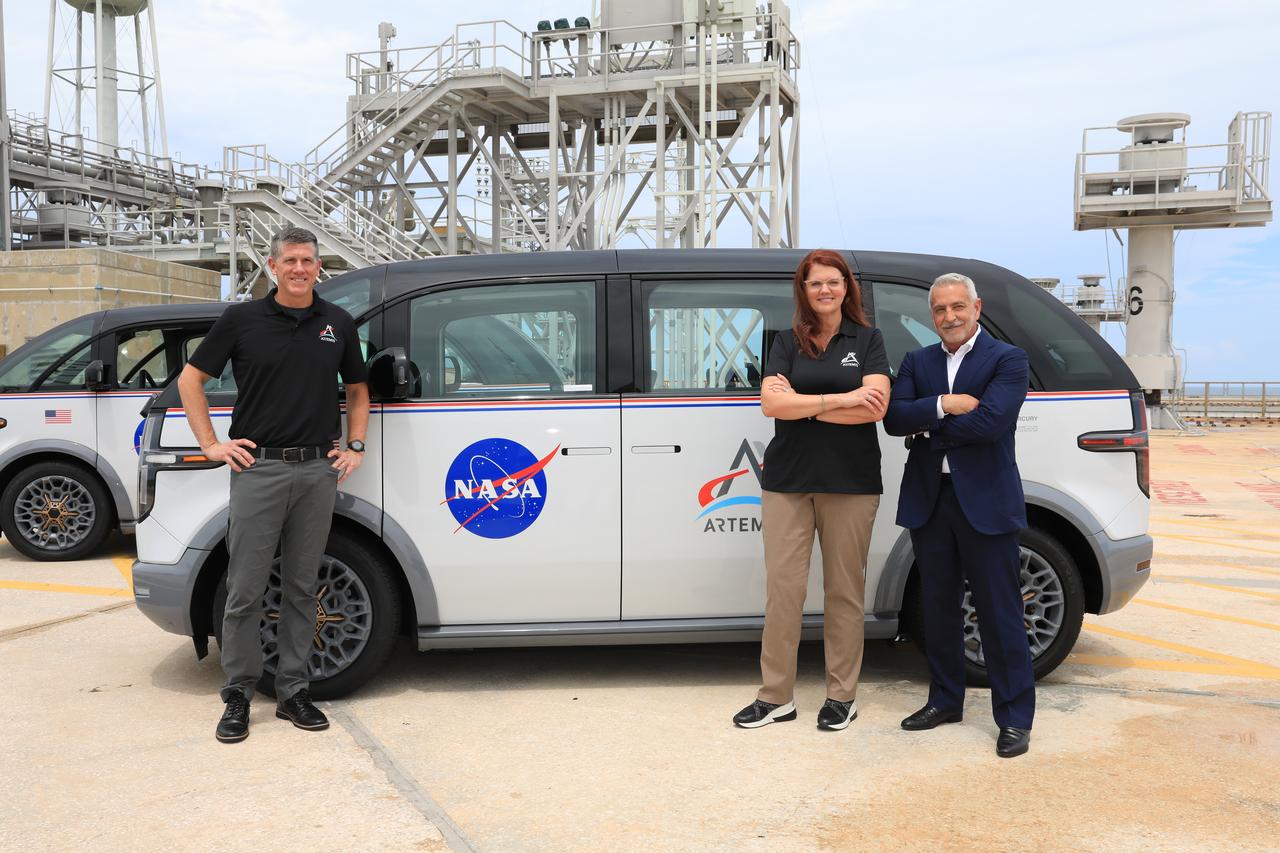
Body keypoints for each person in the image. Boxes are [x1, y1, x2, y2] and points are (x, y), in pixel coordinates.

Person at [177, 226, 370, 744]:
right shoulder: (242, 319)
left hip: (315, 471)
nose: (300, 269)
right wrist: (212, 444)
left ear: (318, 267)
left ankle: (292, 691)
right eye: (291, 261)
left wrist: (354, 446)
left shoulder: (337, 323)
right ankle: (238, 694)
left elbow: (357, 388)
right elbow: (190, 379)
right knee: (246, 586)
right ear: (272, 266)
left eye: (308, 261)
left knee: (303, 586)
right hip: (257, 469)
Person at [733, 249, 891, 731]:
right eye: (814, 283)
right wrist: (841, 398)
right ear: (802, 290)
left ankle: (841, 696)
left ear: (847, 288)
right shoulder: (783, 341)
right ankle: (775, 696)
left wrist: (803, 403)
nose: (824, 290)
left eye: (833, 282)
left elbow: (875, 408)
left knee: (844, 591)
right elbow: (771, 406)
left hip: (851, 480)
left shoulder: (868, 340)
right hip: (787, 482)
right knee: (784, 591)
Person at [882, 272, 1035, 758]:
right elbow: (893, 419)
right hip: (932, 499)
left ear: (976, 307)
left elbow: (992, 423)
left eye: (957, 307)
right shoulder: (917, 360)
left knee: (999, 612)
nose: (949, 317)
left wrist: (928, 427)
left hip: (986, 502)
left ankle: (1014, 718)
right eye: (940, 310)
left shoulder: (1007, 359)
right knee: (938, 608)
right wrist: (945, 404)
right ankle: (945, 700)